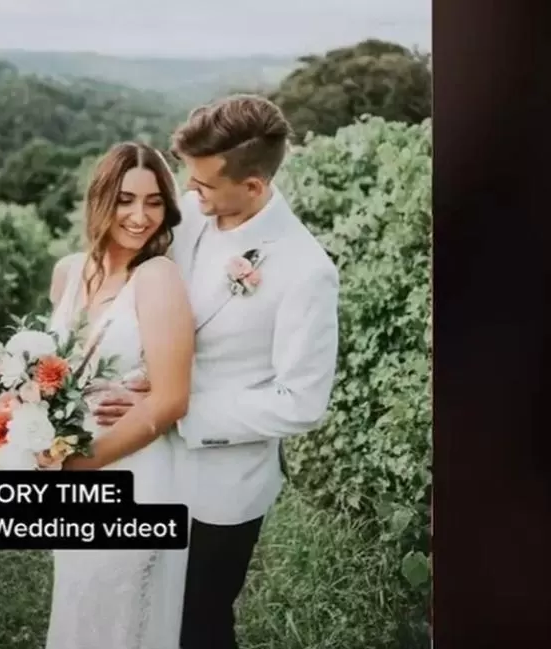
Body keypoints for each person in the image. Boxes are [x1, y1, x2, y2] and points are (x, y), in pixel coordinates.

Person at [90, 95, 340, 649]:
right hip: (149, 463)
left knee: (198, 622)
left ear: (252, 186)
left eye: (203, 185)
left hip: (223, 484)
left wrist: (176, 409)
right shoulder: (192, 220)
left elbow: (301, 400)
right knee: (144, 608)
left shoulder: (306, 270)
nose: (191, 194)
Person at [42, 141, 195, 649]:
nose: (140, 216)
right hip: (72, 483)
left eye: (154, 202)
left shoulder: (157, 277)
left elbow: (172, 399)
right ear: (100, 199)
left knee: (122, 617)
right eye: (126, 199)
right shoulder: (67, 274)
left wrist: (85, 464)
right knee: (80, 605)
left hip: (136, 473)